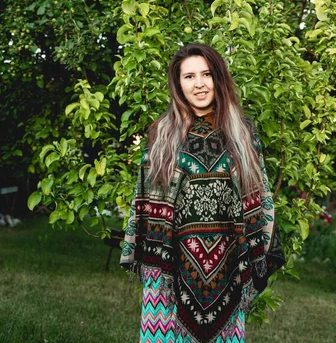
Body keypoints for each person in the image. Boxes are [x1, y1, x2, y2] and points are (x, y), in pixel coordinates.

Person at [120, 43, 285, 343]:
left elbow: (260, 199)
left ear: (218, 78)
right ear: (178, 83)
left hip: (229, 268)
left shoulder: (243, 134)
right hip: (166, 275)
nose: (198, 84)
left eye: (206, 74)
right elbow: (145, 202)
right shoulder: (162, 134)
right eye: (189, 76)